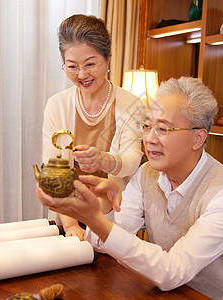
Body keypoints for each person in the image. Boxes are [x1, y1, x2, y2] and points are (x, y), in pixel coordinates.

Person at [37, 76, 223, 299]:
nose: (149, 139)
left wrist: (93, 218)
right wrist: (105, 208)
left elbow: (172, 271)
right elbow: (103, 244)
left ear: (198, 138)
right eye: (147, 126)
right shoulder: (147, 174)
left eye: (163, 129)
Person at [41, 14, 144, 241]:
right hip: (67, 217)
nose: (82, 75)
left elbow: (131, 160)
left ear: (107, 60)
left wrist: (103, 160)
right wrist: (70, 226)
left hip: (115, 222)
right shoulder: (56, 105)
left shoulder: (132, 104)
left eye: (90, 64)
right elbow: (54, 172)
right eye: (72, 66)